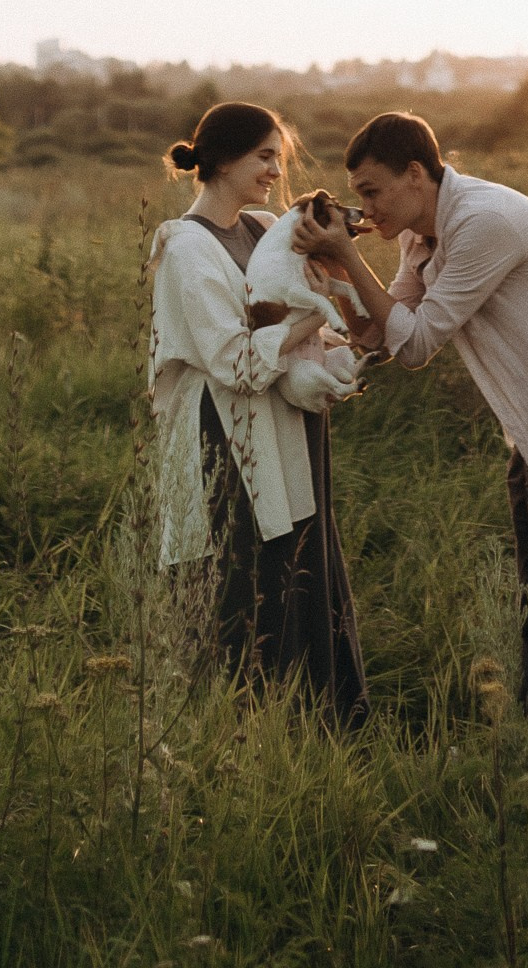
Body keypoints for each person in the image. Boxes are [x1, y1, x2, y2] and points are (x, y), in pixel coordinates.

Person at [293, 111, 528, 707]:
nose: (366, 209)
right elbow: (382, 336)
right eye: (358, 197)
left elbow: (418, 341)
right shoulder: (419, 236)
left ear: (415, 173)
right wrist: (331, 267)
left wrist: (348, 258)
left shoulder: (484, 221)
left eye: (373, 192)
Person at [148, 101, 368, 724]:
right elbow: (235, 363)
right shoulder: (187, 249)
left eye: (281, 158)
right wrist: (308, 319)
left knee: (305, 561)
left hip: (287, 421)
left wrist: (329, 332)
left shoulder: (263, 226)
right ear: (220, 159)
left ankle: (324, 724)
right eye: (264, 156)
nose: (276, 170)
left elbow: (302, 310)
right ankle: (253, 727)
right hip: (230, 433)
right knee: (251, 577)